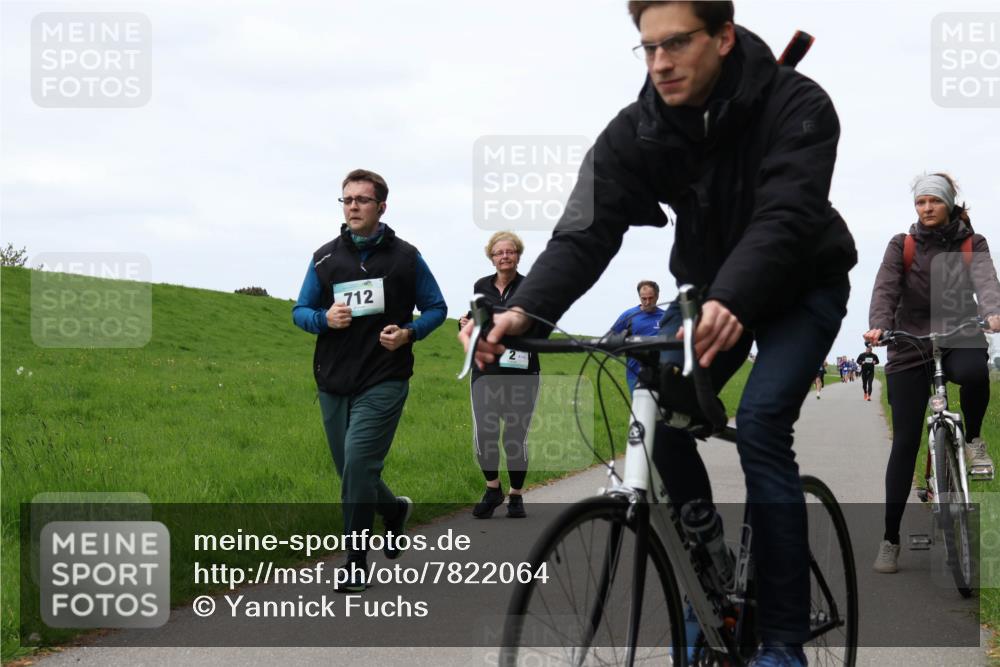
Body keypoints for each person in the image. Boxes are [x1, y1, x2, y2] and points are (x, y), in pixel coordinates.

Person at [462, 2, 856, 664]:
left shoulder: (798, 103)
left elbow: (788, 212)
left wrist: (732, 296)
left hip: (802, 285)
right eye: (646, 48)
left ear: (723, 37)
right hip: (708, 294)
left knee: (761, 425)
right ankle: (710, 568)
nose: (660, 62)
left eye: (675, 43)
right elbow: (586, 230)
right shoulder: (639, 129)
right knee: (663, 423)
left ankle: (782, 639)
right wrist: (522, 310)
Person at [293, 168, 447, 591]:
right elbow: (299, 311)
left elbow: (436, 308)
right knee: (350, 472)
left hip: (384, 376)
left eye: (362, 199)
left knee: (359, 464)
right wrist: (323, 319)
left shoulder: (406, 257)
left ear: (381, 206)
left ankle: (356, 561)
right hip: (333, 379)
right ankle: (394, 511)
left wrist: (409, 333)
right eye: (347, 200)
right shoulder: (325, 258)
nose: (353, 206)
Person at [865, 172, 1000, 574]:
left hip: (959, 332)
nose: (926, 209)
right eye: (921, 203)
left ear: (949, 204)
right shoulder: (901, 245)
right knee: (905, 441)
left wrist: (992, 312)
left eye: (934, 202)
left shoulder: (971, 244)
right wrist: (878, 324)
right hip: (908, 341)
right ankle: (890, 539)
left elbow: (986, 281)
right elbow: (885, 289)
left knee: (975, 372)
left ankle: (973, 440)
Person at [458, 232, 540, 519]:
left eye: (510, 251)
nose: (504, 256)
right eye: (498, 253)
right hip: (487, 369)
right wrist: (465, 321)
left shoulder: (531, 286)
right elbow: (477, 319)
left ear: (518, 255)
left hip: (523, 370)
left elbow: (539, 324)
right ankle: (493, 488)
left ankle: (516, 495)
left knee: (515, 438)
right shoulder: (481, 286)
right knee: (486, 432)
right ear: (491, 257)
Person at [610, 280, 666, 393]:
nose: (647, 302)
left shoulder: (665, 316)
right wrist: (619, 349)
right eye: (643, 298)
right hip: (634, 373)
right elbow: (610, 337)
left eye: (650, 298)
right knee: (638, 409)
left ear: (657, 296)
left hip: (661, 372)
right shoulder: (629, 315)